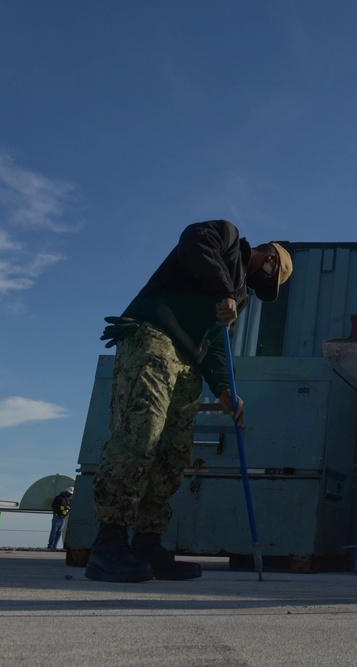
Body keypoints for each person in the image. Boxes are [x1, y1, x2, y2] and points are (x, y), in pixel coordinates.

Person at [85, 219, 292, 583]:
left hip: (188, 362)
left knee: (173, 453)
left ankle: (147, 542)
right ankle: (108, 544)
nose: (262, 288)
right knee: (141, 435)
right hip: (154, 337)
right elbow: (193, 242)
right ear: (270, 259)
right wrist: (223, 290)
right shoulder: (225, 238)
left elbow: (215, 344)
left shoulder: (238, 297)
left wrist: (226, 388)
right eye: (269, 280)